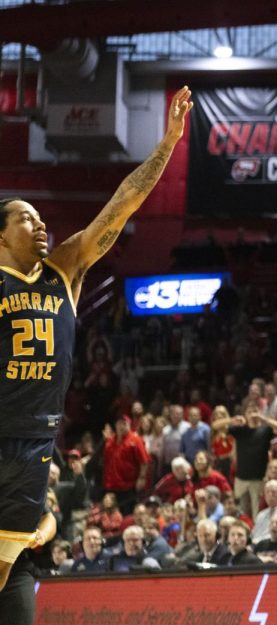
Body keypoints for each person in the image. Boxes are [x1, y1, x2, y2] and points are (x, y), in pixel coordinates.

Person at [0, 87, 191, 592]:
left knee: (6, 566)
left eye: (42, 217)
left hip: (37, 442)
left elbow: (120, 206)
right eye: (26, 217)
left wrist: (168, 143)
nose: (41, 223)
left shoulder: (63, 268)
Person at [213, 402, 277, 516]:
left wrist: (264, 419)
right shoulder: (240, 430)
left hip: (259, 479)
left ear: (260, 412)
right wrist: (232, 419)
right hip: (241, 479)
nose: (253, 414)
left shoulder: (265, 430)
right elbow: (215, 426)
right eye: (249, 412)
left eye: (255, 411)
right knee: (241, 513)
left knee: (258, 513)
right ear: (245, 415)